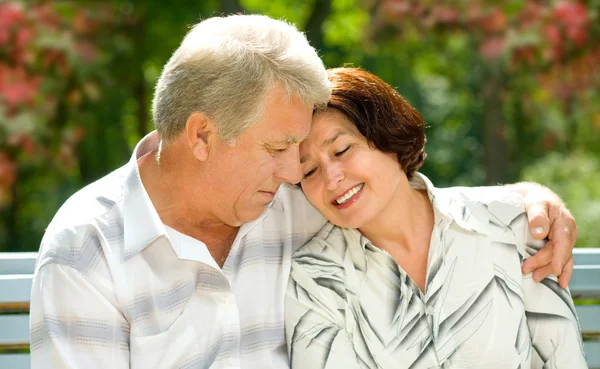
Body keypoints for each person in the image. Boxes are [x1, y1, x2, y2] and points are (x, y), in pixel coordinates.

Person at [30, 14, 578, 369]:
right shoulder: (88, 251)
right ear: (201, 135)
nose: (298, 171)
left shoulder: (292, 198)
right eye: (278, 147)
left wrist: (531, 199)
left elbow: (397, 193)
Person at [285, 68, 586, 369]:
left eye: (342, 149)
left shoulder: (511, 223)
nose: (331, 178)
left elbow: (562, 358)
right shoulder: (313, 277)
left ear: (388, 135)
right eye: (309, 171)